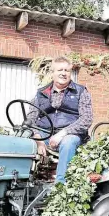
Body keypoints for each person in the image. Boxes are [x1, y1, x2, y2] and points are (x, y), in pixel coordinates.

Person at [27, 55, 93, 183]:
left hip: (70, 134)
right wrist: (38, 138)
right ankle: (25, 181)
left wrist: (62, 133)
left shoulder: (81, 91)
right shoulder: (41, 93)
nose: (63, 73)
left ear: (70, 73)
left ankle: (60, 185)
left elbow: (86, 119)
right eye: (60, 70)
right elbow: (31, 118)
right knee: (22, 141)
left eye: (66, 70)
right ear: (53, 73)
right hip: (44, 134)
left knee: (68, 142)